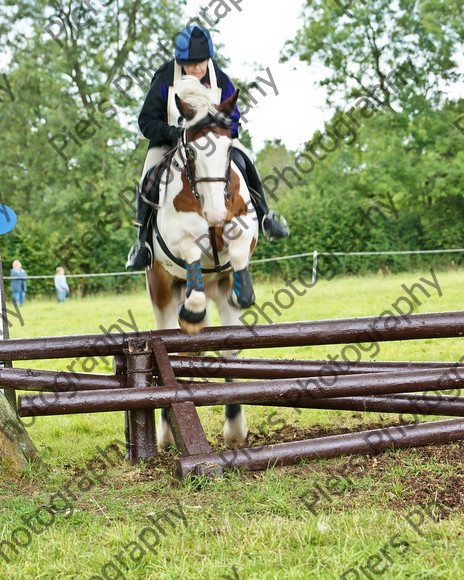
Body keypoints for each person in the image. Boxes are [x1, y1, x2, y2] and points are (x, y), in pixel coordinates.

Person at [126, 24, 289, 270]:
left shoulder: (220, 79)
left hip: (214, 143)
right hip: (169, 143)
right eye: (191, 64)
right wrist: (171, 132)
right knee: (148, 177)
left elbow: (234, 118)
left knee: (246, 161)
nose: (197, 68)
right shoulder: (164, 78)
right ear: (179, 61)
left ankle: (266, 216)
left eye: (202, 62)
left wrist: (220, 134)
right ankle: (142, 245)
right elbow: (146, 121)